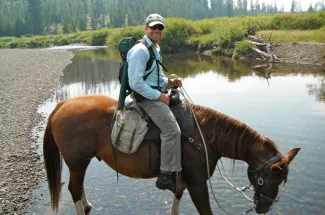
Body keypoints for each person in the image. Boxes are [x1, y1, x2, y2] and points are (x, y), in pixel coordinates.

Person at [127, 13, 183, 192]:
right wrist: (159, 97)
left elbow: (154, 77)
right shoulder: (140, 51)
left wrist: (170, 82)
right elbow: (135, 83)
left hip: (153, 93)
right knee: (172, 131)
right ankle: (166, 174)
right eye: (153, 27)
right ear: (146, 28)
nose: (157, 30)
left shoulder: (155, 49)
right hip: (146, 99)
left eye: (160, 28)